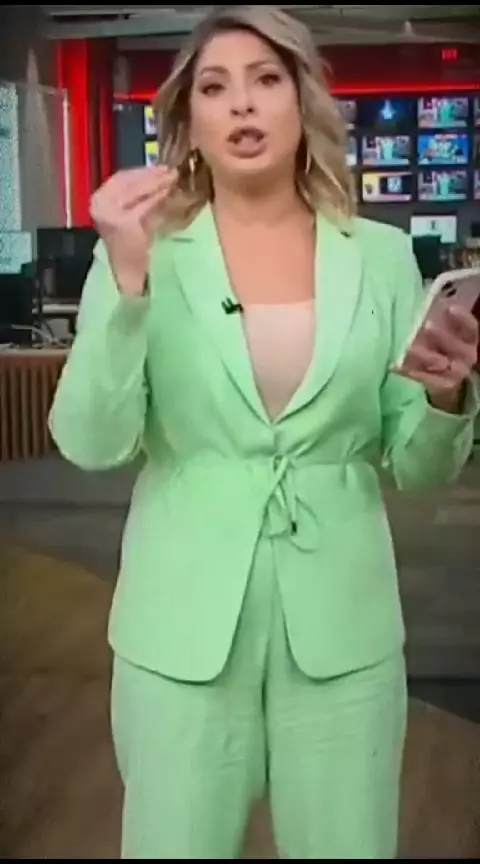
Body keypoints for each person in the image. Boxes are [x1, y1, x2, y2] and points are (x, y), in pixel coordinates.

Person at [48, 5, 479, 859]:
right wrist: (127, 286)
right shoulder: (144, 252)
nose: (242, 104)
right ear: (190, 121)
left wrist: (446, 396)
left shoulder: (381, 257)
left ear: (301, 99)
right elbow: (91, 443)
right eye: (215, 88)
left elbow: (419, 469)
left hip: (343, 629)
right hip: (180, 628)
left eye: (265, 80)